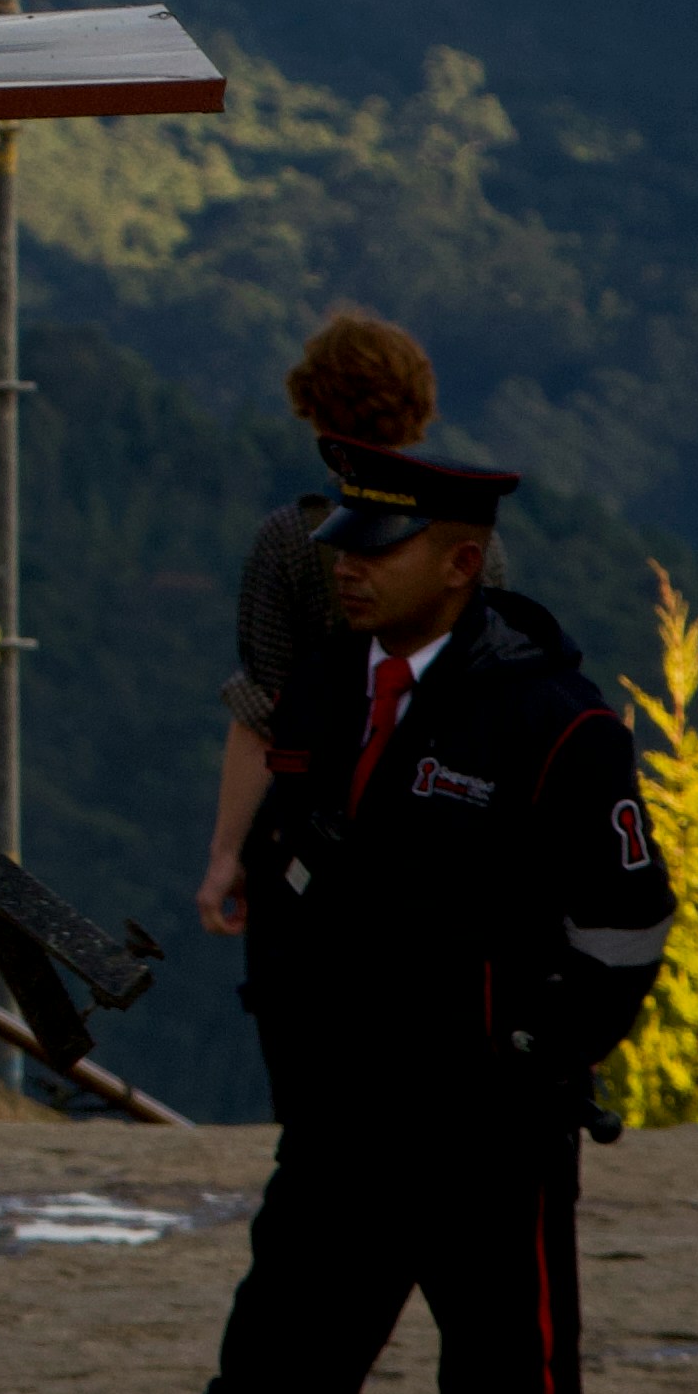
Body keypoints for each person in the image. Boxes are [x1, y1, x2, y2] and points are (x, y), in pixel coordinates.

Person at [56, 447, 671, 1394]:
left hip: (486, 1125)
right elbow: (297, 866)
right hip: (343, 1112)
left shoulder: (556, 719)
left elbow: (625, 925)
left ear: (459, 561)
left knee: (502, 1390)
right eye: (344, 541)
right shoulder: (333, 685)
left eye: (379, 547)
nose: (347, 566)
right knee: (272, 1363)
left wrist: (534, 1057)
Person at [196, 310, 440, 934]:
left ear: (315, 406)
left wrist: (226, 855)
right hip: (436, 836)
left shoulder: (291, 540)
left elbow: (262, 715)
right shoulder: (466, 545)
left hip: (311, 844)